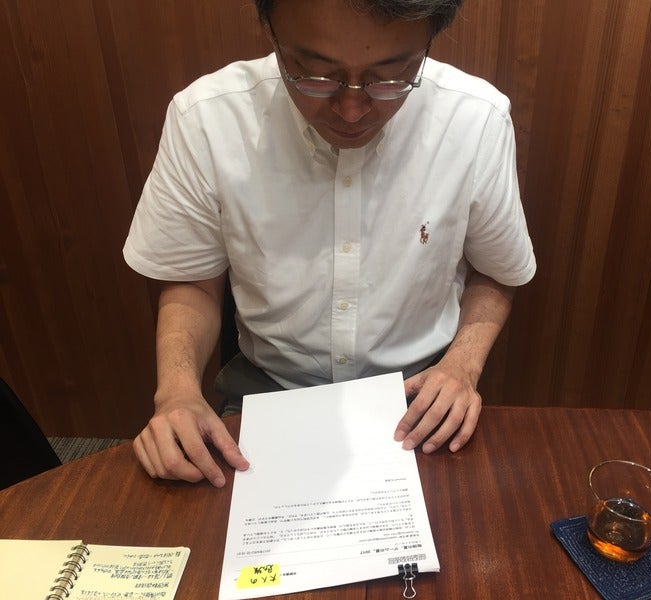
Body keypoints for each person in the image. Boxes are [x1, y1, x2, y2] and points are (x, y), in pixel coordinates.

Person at [123, 0, 536, 488]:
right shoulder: (207, 119)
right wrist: (175, 393)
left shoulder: (475, 119)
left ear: (426, 45)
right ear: (272, 34)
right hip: (267, 388)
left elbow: (496, 271)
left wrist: (462, 366)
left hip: (420, 392)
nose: (353, 108)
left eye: (391, 76)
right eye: (316, 74)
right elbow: (192, 281)